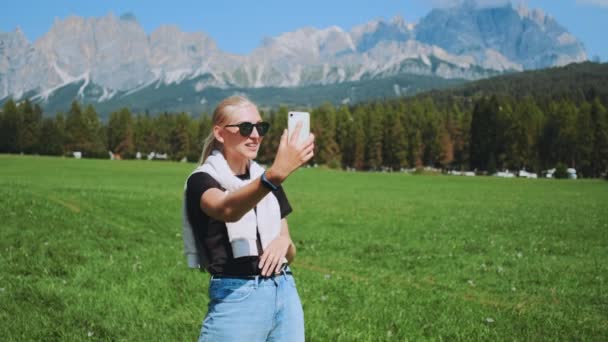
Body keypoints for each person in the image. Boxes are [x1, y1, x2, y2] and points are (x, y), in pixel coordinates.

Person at [182, 95, 315, 341]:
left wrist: (285, 243)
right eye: (245, 128)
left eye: (260, 128)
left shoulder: (264, 179)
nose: (255, 135)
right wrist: (273, 177)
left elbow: (288, 249)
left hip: (284, 290)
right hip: (237, 295)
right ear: (220, 133)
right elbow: (226, 209)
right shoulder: (202, 180)